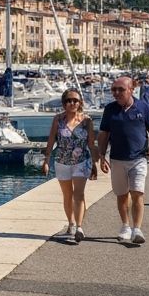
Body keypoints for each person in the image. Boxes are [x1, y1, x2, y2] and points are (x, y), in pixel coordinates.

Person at [97, 75, 149, 244]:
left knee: (138, 193)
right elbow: (104, 134)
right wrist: (102, 156)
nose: (116, 93)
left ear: (131, 90)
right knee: (122, 195)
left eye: (121, 90)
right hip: (117, 159)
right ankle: (125, 226)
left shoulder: (143, 107)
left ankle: (137, 229)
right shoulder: (110, 109)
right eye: (114, 90)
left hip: (138, 158)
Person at [41, 88, 98, 243]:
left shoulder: (86, 121)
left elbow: (91, 144)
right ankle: (71, 223)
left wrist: (94, 163)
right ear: (64, 103)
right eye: (69, 100)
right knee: (67, 195)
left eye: (75, 100)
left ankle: (79, 227)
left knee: (79, 194)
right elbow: (51, 140)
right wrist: (46, 160)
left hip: (81, 162)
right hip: (62, 161)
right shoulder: (58, 120)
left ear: (80, 103)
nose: (72, 103)